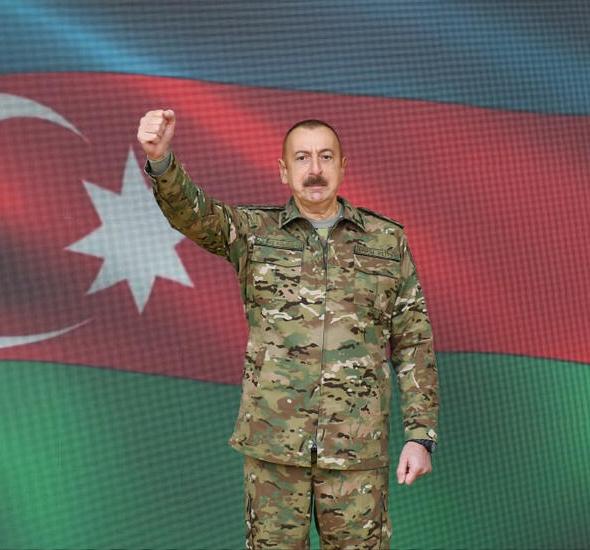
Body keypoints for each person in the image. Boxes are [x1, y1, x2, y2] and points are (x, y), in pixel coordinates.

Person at [137, 109, 438, 549]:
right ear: (283, 170)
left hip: (355, 451)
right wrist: (161, 159)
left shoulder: (386, 241)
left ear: (342, 166)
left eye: (325, 157)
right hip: (274, 450)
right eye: (302, 158)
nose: (315, 169)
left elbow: (413, 342)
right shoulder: (252, 233)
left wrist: (420, 436)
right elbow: (194, 213)